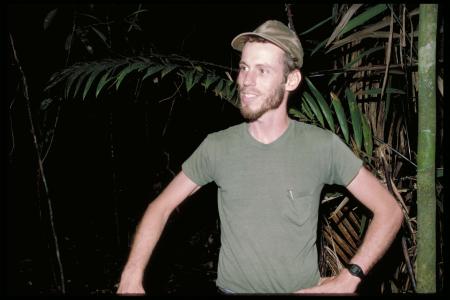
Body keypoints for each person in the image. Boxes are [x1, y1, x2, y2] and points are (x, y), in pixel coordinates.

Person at [117, 20, 403, 294]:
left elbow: (389, 211)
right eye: (244, 67)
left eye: (262, 71)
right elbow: (160, 207)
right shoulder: (218, 146)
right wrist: (131, 274)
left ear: (291, 80)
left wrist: (350, 276)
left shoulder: (321, 146)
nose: (246, 81)